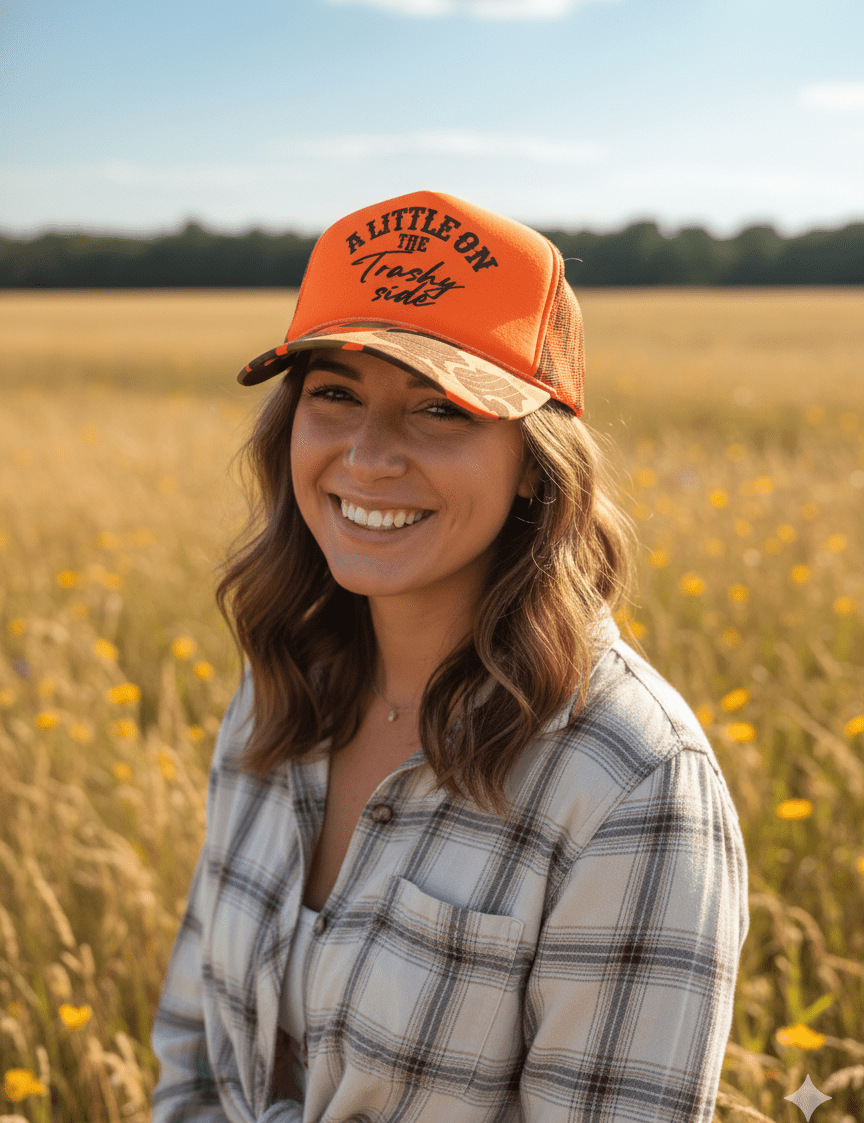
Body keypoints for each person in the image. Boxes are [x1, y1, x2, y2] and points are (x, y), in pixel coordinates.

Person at [151, 190, 749, 1123]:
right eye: (335, 394)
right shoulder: (279, 685)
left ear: (533, 464)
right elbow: (192, 1063)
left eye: (441, 408)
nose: (370, 456)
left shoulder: (631, 783)